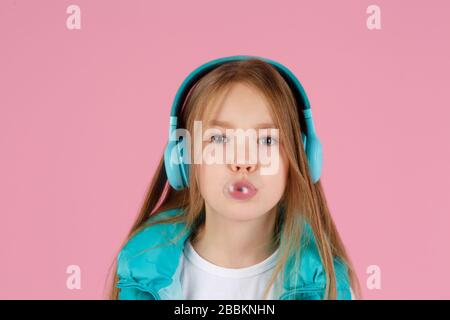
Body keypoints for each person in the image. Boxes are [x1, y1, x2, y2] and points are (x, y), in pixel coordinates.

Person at [108, 56, 360, 300]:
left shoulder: (327, 288)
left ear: (301, 159)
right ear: (184, 158)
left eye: (267, 140)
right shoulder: (139, 276)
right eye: (219, 139)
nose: (243, 161)